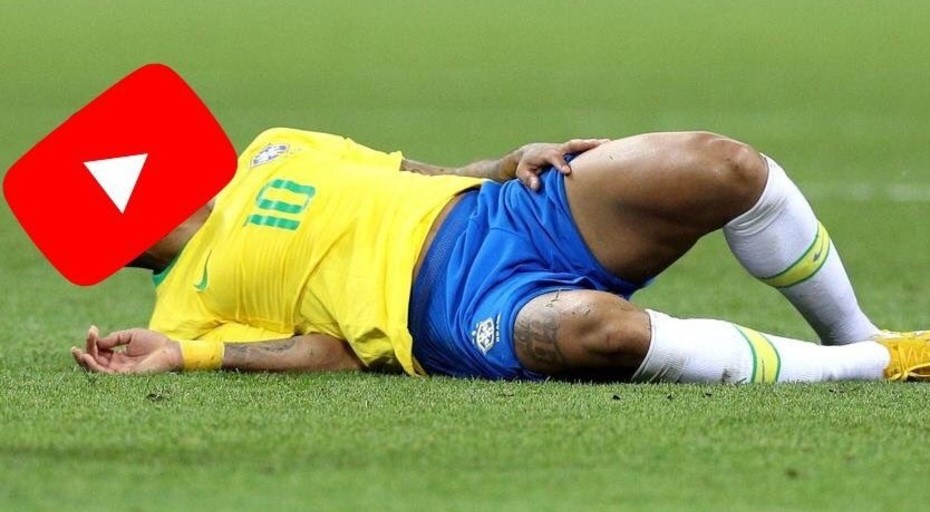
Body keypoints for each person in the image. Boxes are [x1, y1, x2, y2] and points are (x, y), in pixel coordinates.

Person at [70, 128, 930, 383]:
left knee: (723, 167)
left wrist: (510, 161)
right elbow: (327, 351)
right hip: (446, 310)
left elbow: (416, 172)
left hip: (501, 211)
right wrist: (187, 353)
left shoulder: (272, 147)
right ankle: (874, 364)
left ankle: (858, 329)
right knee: (600, 332)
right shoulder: (181, 311)